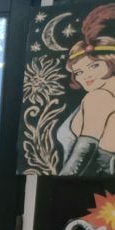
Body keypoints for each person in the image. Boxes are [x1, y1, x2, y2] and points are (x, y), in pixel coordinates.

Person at [59, 3, 115, 177]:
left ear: (110, 60)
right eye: (79, 72)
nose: (86, 76)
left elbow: (83, 156)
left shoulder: (98, 97)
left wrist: (62, 185)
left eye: (93, 65)